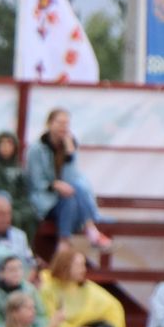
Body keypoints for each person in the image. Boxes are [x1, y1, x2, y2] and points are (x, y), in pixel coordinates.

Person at [26, 107, 111, 249]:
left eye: (66, 124)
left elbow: (71, 179)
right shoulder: (37, 149)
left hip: (66, 198)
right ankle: (90, 228)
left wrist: (69, 154)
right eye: (60, 123)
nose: (63, 127)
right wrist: (54, 185)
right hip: (44, 200)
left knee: (74, 191)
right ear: (49, 124)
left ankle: (64, 241)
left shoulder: (68, 146)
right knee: (74, 192)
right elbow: (35, 181)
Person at [0, 131, 37, 234]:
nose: (5, 147)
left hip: (18, 203)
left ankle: (27, 247)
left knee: (31, 214)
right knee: (14, 216)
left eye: (9, 143)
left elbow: (23, 190)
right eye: (2, 143)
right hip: (2, 204)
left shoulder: (19, 168)